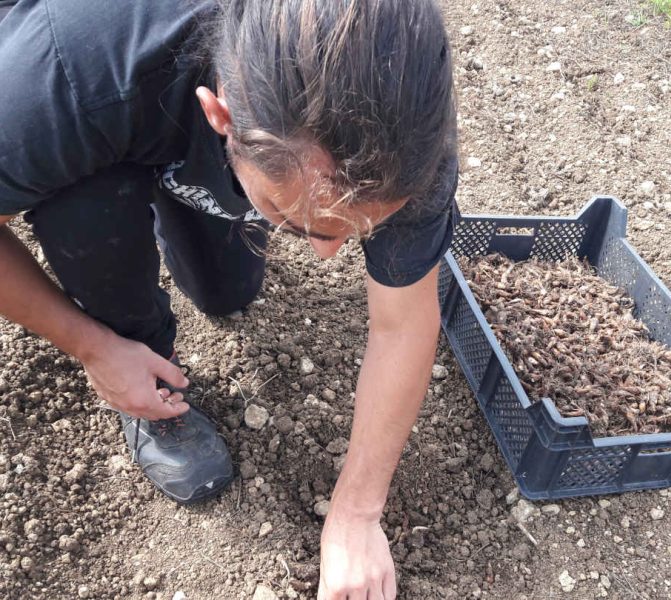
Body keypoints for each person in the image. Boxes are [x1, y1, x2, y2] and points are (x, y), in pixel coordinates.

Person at [0, 0, 458, 598]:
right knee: (88, 207)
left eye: (358, 229)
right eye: (305, 227)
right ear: (221, 114)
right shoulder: (62, 82)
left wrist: (356, 516)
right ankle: (138, 354)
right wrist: (92, 346)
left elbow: (402, 325)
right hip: (84, 96)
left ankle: (173, 181)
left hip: (165, 119)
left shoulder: (408, 139)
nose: (328, 257)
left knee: (228, 291)